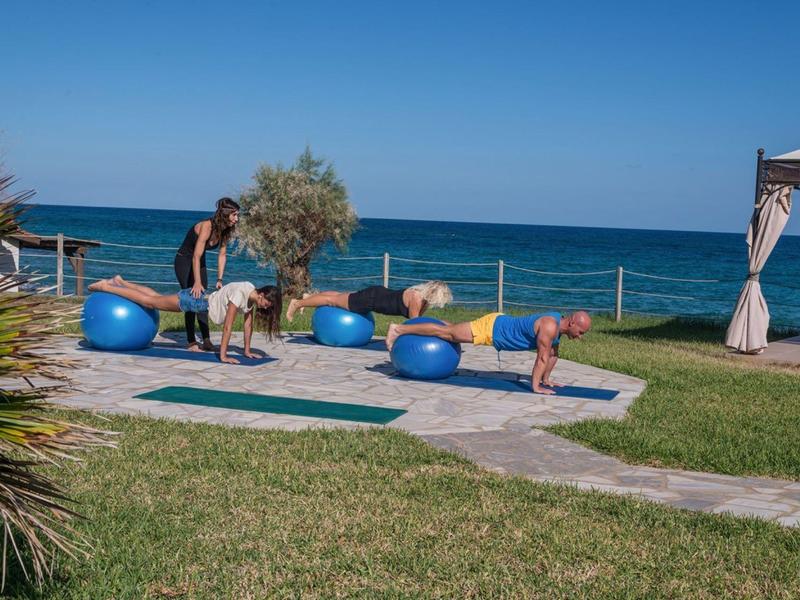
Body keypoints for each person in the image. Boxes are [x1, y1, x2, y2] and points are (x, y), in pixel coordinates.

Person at [385, 311, 592, 394]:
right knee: (447, 334)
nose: (580, 336)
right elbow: (542, 357)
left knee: (453, 331)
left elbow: (553, 355)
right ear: (572, 322)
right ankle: (399, 329)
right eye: (580, 332)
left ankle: (426, 325)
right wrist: (536, 386)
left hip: (498, 323)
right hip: (492, 328)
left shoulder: (557, 327)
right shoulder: (549, 326)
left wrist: (547, 379)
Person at [88, 276, 281, 364]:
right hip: (194, 301)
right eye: (267, 303)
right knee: (150, 301)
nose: (266, 307)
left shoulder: (250, 292)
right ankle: (106, 287)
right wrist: (223, 356)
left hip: (199, 300)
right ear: (262, 294)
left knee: (155, 298)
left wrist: (246, 351)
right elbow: (228, 326)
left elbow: (248, 324)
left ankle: (121, 282)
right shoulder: (241, 294)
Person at [174, 197, 240, 352]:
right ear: (225, 214)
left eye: (237, 215)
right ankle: (191, 342)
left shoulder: (225, 230)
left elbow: (222, 255)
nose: (237, 219)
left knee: (202, 299)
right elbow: (195, 256)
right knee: (191, 298)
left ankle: (206, 340)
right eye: (234, 215)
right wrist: (197, 282)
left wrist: (219, 278)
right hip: (184, 260)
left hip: (199, 261)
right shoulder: (207, 226)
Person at [285, 280, 453, 323]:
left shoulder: (422, 297)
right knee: (332, 301)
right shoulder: (417, 298)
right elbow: (415, 323)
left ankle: (308, 298)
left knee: (337, 295)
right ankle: (297, 304)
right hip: (370, 300)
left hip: (376, 294)